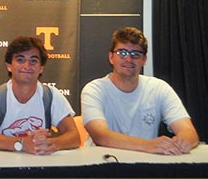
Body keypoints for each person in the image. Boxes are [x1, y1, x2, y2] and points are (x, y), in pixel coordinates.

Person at [81, 27, 199, 155]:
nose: (129, 59)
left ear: (144, 60)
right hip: (102, 166)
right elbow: (101, 136)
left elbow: (189, 131)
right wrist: (148, 145)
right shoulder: (93, 90)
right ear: (111, 57)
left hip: (145, 166)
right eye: (122, 53)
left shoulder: (159, 88)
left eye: (135, 54)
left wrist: (181, 142)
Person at [0, 36, 80, 155]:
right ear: (9, 66)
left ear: (41, 68)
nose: (27, 66)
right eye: (20, 60)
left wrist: (50, 144)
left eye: (33, 61)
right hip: (1, 168)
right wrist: (21, 143)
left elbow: (74, 136)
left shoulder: (51, 95)